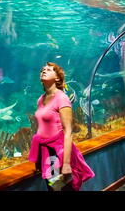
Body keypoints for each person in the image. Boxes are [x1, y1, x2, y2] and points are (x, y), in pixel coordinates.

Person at [28, 62, 95, 191]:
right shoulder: (40, 99)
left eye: (49, 69)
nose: (44, 71)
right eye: (43, 69)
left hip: (58, 152)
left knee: (63, 188)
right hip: (46, 153)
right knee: (53, 187)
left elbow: (68, 132)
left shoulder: (62, 98)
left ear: (57, 78)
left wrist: (66, 164)